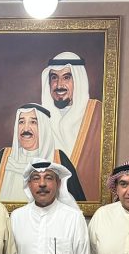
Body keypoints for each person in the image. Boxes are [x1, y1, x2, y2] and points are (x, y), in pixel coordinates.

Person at [0, 103, 85, 201]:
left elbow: (78, 205)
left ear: (44, 128)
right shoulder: (4, 157)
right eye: (21, 122)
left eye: (33, 122)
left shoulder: (59, 159)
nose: (26, 128)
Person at [41, 52, 103, 200]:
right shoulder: (40, 120)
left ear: (78, 80)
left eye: (66, 77)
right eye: (54, 78)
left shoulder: (97, 114)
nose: (59, 85)